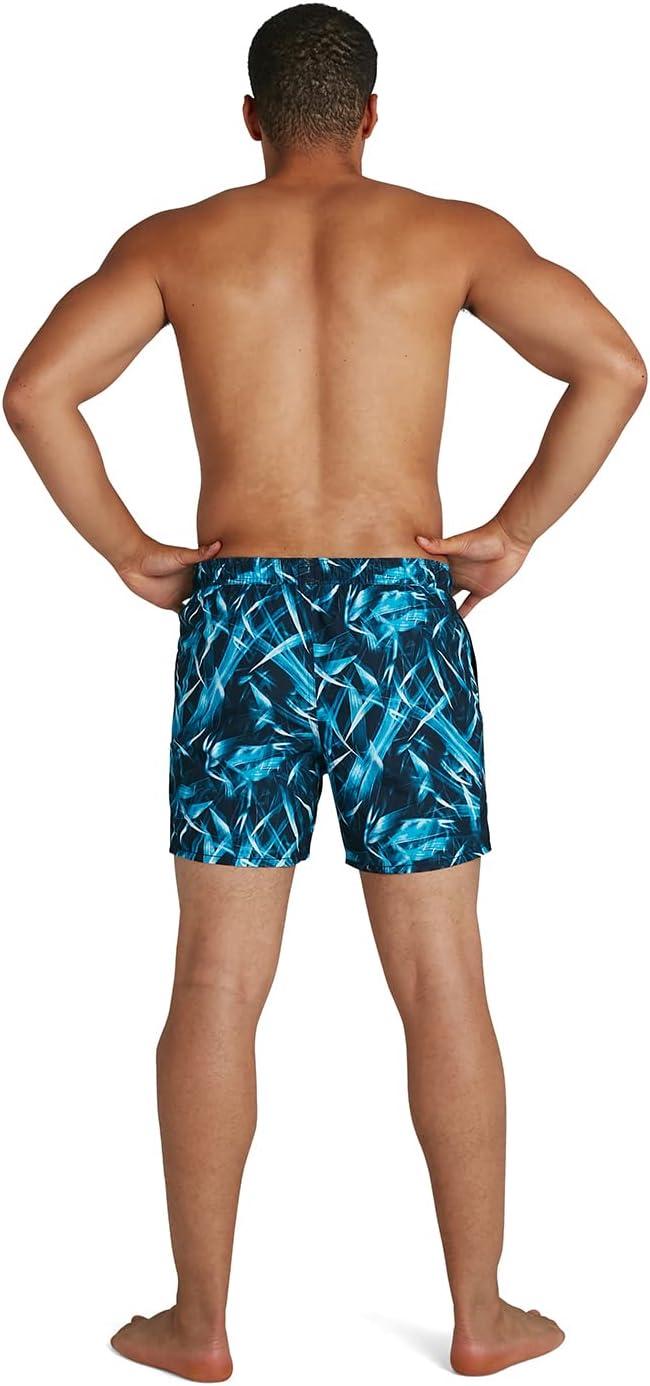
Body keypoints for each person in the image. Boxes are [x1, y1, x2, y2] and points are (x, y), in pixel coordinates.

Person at [4, 3, 645, 1380]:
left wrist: (126, 546)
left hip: (239, 614)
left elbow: (38, 390)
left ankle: (197, 1324)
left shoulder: (178, 243)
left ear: (249, 118)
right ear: (372, 114)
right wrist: (515, 529)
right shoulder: (451, 233)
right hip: (401, 616)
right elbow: (613, 365)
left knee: (215, 976)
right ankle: (481, 1317)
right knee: (442, 974)